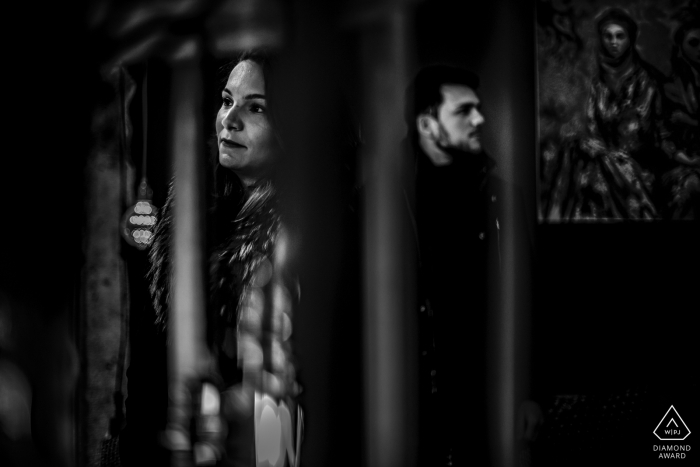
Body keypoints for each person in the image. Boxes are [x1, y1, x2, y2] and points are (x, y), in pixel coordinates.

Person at [121, 50, 300, 467]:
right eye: (226, 100)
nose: (230, 119)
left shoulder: (296, 236)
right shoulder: (192, 217)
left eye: (255, 108)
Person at [403, 65, 541, 467]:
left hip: (488, 398)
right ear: (428, 124)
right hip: (417, 402)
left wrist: (529, 391)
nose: (480, 119)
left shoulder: (500, 198)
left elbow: (527, 297)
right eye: (464, 111)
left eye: (478, 109)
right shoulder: (388, 202)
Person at [566, 8, 667, 220]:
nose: (614, 42)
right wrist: (594, 146)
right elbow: (590, 124)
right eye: (608, 36)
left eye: (620, 36)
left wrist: (608, 152)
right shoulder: (596, 81)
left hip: (639, 164)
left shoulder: (647, 82)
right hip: (602, 162)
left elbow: (639, 134)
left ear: (630, 39)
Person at [660, 17, 700, 219]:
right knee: (691, 186)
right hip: (682, 163)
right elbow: (662, 135)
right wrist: (687, 160)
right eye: (694, 43)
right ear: (681, 46)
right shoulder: (670, 88)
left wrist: (690, 121)